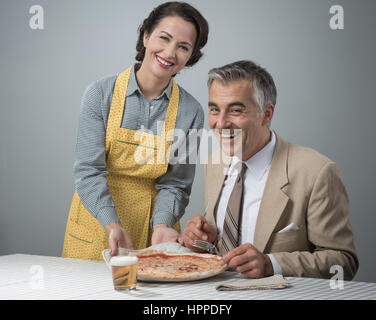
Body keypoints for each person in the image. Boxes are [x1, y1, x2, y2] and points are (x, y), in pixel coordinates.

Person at [182, 60, 359, 280]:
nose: (221, 123)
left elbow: (343, 262)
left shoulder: (317, 172)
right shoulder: (214, 162)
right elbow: (223, 251)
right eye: (214, 109)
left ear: (267, 114)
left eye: (236, 110)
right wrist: (204, 242)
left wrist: (271, 264)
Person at [62, 2, 209, 260]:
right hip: (99, 223)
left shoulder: (191, 111)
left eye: (183, 47)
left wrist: (162, 224)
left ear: (191, 56)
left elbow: (176, 183)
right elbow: (88, 171)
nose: (170, 52)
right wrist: (112, 223)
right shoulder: (100, 94)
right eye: (164, 38)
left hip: (157, 231)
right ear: (146, 36)